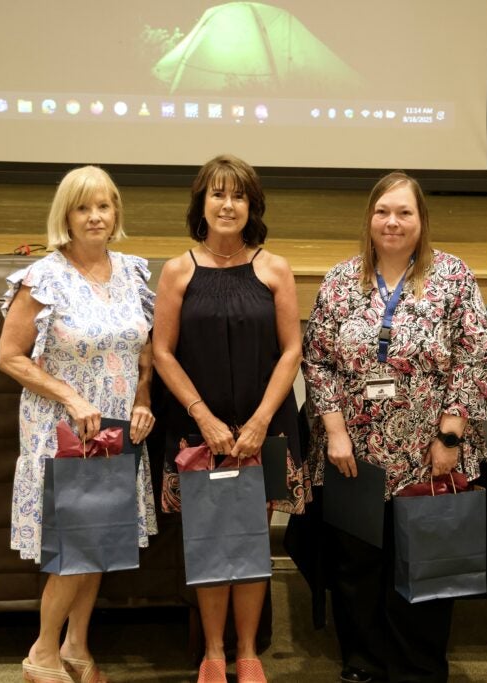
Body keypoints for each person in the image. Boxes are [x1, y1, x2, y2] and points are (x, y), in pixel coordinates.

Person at [302, 171, 487, 682]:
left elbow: (476, 354)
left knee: (425, 562)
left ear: (421, 220)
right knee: (357, 566)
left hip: (431, 452)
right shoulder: (341, 280)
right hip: (353, 454)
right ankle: (362, 660)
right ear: (369, 219)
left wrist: (451, 434)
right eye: (383, 211)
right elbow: (317, 360)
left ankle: (418, 665)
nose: (392, 222)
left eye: (404, 212)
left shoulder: (452, 276)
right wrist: (336, 431)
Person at [0, 165, 158, 683]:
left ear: (117, 213)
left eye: (104, 206)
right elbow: (9, 356)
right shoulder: (44, 276)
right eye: (83, 207)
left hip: (117, 429)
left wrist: (142, 398)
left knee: (102, 540)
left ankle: (76, 647)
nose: (95, 217)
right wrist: (69, 395)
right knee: (77, 544)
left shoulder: (134, 272)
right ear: (65, 215)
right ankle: (41, 653)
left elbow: (144, 352)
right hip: (64, 432)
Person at [152, 154, 305, 683]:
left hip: (265, 430)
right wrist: (203, 415)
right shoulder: (177, 270)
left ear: (252, 206)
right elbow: (163, 352)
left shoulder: (274, 268)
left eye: (238, 195)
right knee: (210, 538)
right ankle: (213, 651)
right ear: (201, 203)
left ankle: (247, 650)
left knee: (252, 539)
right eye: (217, 194)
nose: (227, 204)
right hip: (199, 433)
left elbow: (292, 350)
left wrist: (260, 420)